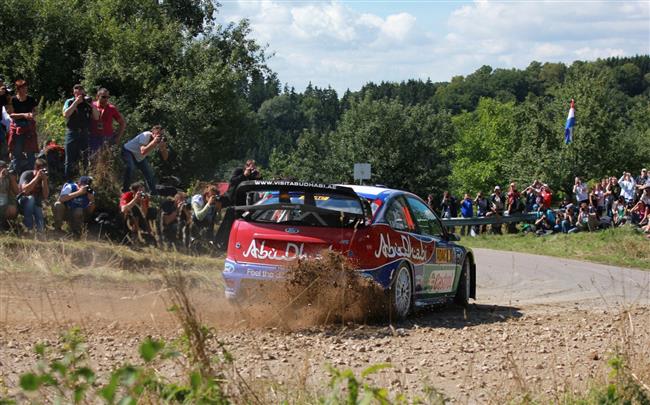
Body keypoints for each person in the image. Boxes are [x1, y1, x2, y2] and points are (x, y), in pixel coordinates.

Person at [214, 160, 262, 249]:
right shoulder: (239, 171)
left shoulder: (252, 174)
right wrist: (244, 175)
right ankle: (220, 242)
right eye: (249, 165)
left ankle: (236, 243)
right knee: (228, 222)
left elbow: (258, 185)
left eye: (253, 166)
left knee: (241, 224)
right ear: (246, 165)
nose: (251, 168)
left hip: (244, 203)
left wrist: (259, 177)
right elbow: (232, 181)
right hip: (233, 201)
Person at [62, 84, 99, 180]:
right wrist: (76, 103)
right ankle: (68, 181)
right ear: (73, 92)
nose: (78, 92)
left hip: (84, 133)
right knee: (69, 159)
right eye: (76, 90)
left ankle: (85, 180)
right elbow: (66, 114)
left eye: (80, 90)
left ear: (83, 92)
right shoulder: (69, 101)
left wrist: (92, 105)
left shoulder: (88, 103)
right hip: (72, 132)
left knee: (84, 158)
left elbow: (96, 117)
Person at [121, 125, 169, 194]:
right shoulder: (146, 135)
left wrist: (163, 148)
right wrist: (154, 142)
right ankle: (125, 190)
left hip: (139, 157)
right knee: (130, 167)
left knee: (149, 174)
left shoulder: (158, 140)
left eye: (162, 134)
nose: (160, 136)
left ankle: (154, 194)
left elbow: (165, 158)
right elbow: (143, 151)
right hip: (128, 151)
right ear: (153, 132)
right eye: (159, 134)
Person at [6, 80, 38, 176]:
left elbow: (35, 111)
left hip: (29, 127)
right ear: (18, 89)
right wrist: (24, 115)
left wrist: (32, 114)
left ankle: (31, 176)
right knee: (17, 153)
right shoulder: (13, 100)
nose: (25, 89)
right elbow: (11, 114)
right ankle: (17, 176)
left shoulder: (30, 99)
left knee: (31, 153)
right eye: (23, 88)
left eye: (26, 87)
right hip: (17, 128)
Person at [17, 158, 49, 233]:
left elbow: (45, 196)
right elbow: (25, 190)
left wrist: (44, 180)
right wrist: (37, 178)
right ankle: (29, 229)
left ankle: (40, 234)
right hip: (22, 201)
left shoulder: (44, 177)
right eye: (42, 170)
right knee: (31, 198)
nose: (44, 172)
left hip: (36, 203)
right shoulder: (26, 174)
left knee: (40, 223)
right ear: (36, 168)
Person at [90, 88, 125, 153]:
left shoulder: (111, 108)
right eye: (103, 97)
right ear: (97, 96)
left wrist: (118, 137)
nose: (106, 99)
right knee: (93, 159)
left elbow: (122, 123)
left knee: (106, 160)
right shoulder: (92, 106)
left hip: (107, 137)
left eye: (108, 97)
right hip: (93, 137)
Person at [0, 160, 19, 229]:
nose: (4, 170)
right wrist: (1, 178)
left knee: (12, 209)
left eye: (5, 168)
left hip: (5, 204)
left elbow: (17, 192)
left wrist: (12, 180)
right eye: (1, 168)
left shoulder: (8, 177)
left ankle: (5, 224)